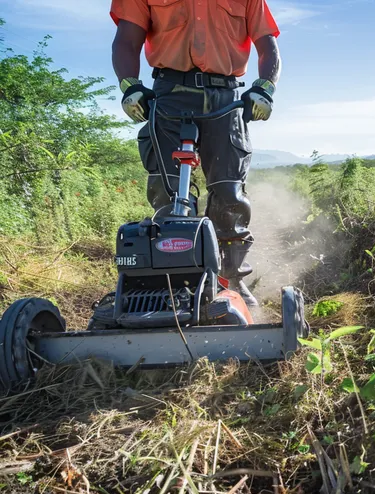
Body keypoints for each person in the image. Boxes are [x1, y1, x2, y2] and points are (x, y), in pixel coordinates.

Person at [109, 0, 282, 308]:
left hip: (225, 98)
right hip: (168, 95)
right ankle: (171, 283)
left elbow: (267, 46)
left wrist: (264, 87)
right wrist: (129, 85)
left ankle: (232, 282)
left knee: (229, 195)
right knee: (168, 191)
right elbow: (126, 40)